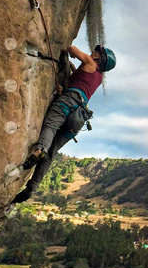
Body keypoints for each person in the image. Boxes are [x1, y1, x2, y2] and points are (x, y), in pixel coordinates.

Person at [11, 45, 116, 204]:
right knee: (51, 154)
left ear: (100, 59)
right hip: (79, 115)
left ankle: (39, 150)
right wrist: (73, 69)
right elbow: (80, 81)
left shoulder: (90, 62)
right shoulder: (98, 77)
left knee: (50, 127)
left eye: (97, 52)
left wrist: (73, 55)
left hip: (69, 101)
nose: (93, 52)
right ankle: (32, 187)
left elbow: (70, 48)